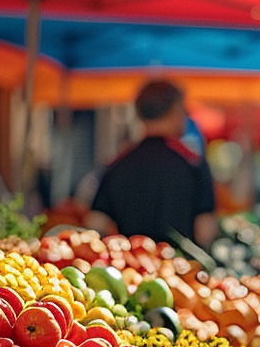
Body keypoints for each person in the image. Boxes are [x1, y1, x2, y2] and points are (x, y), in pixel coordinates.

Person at [86, 80, 218, 248]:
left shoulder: (117, 165)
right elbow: (205, 230)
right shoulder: (192, 163)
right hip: (181, 268)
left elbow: (96, 224)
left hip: (131, 268)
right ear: (175, 110)